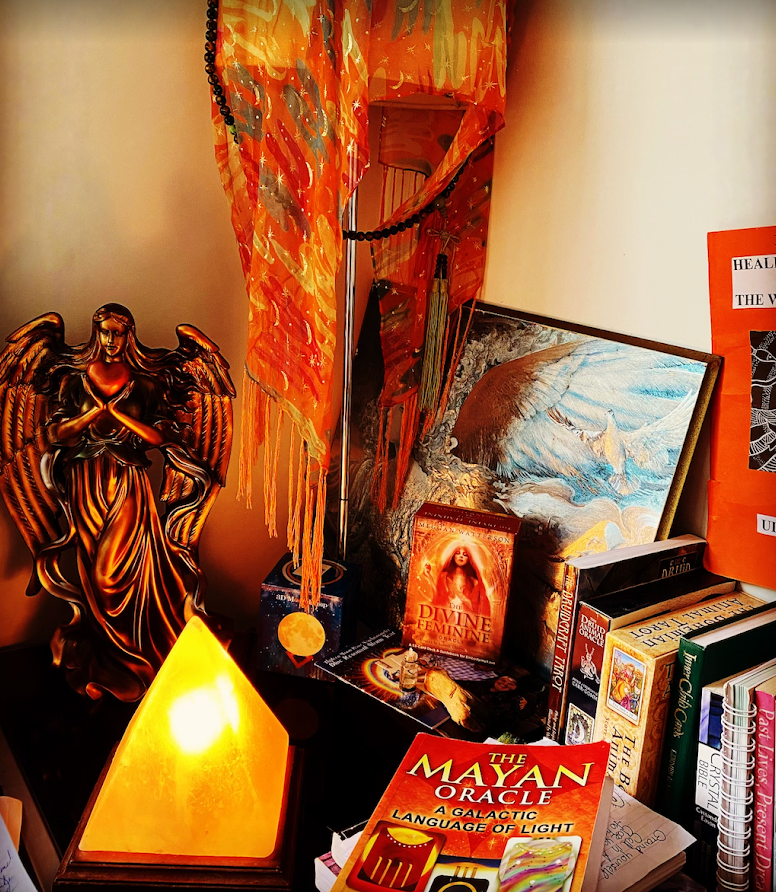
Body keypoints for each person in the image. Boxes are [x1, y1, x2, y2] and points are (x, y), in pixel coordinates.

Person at [41, 305, 213, 701]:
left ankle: (139, 657)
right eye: (105, 332)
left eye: (119, 333)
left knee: (111, 574)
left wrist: (119, 414)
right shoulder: (73, 382)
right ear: (96, 333)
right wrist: (93, 416)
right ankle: (109, 657)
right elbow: (56, 434)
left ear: (129, 335)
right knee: (94, 584)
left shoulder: (145, 385)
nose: (111, 341)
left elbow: (157, 438)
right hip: (84, 483)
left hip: (127, 483)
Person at [432, 544, 490, 617]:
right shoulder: (444, 576)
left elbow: (474, 607)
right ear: (453, 556)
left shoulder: (474, 582)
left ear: (469, 559)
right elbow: (437, 598)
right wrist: (429, 578)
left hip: (464, 619)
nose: (461, 556)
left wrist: (457, 591)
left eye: (465, 554)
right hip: (445, 616)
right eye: (458, 553)